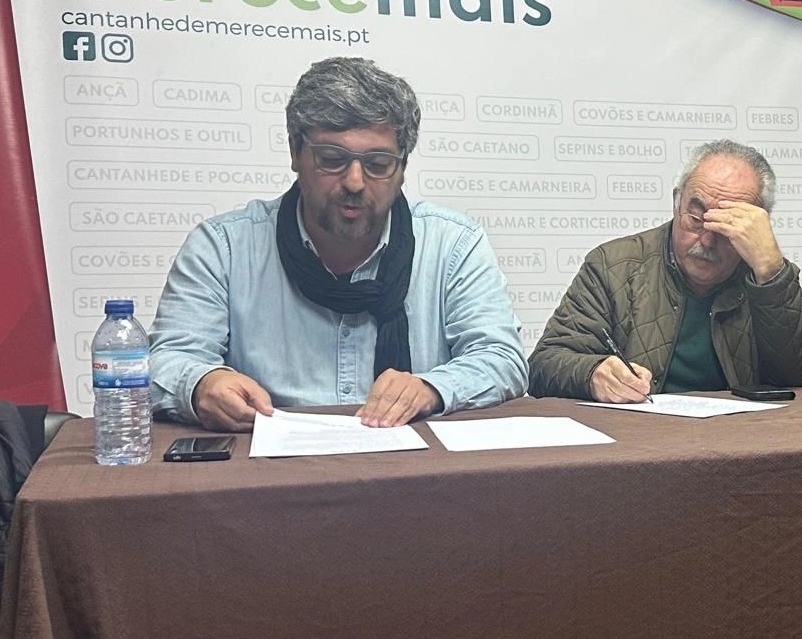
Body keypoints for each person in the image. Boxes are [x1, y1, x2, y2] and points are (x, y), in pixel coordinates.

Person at [150, 57, 527, 431]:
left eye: (378, 164)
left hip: (415, 461)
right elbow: (166, 359)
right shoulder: (224, 248)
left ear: (402, 167)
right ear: (295, 153)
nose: (355, 182)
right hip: (268, 460)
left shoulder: (453, 244)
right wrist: (201, 384)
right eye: (332, 159)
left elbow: (502, 358)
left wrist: (432, 388)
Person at [529, 140, 802, 401]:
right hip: (640, 434)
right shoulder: (614, 266)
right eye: (696, 218)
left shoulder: (765, 276)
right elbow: (544, 365)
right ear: (676, 203)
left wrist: (771, 273)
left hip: (742, 434)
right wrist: (592, 373)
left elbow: (801, 377)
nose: (707, 241)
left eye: (727, 227)